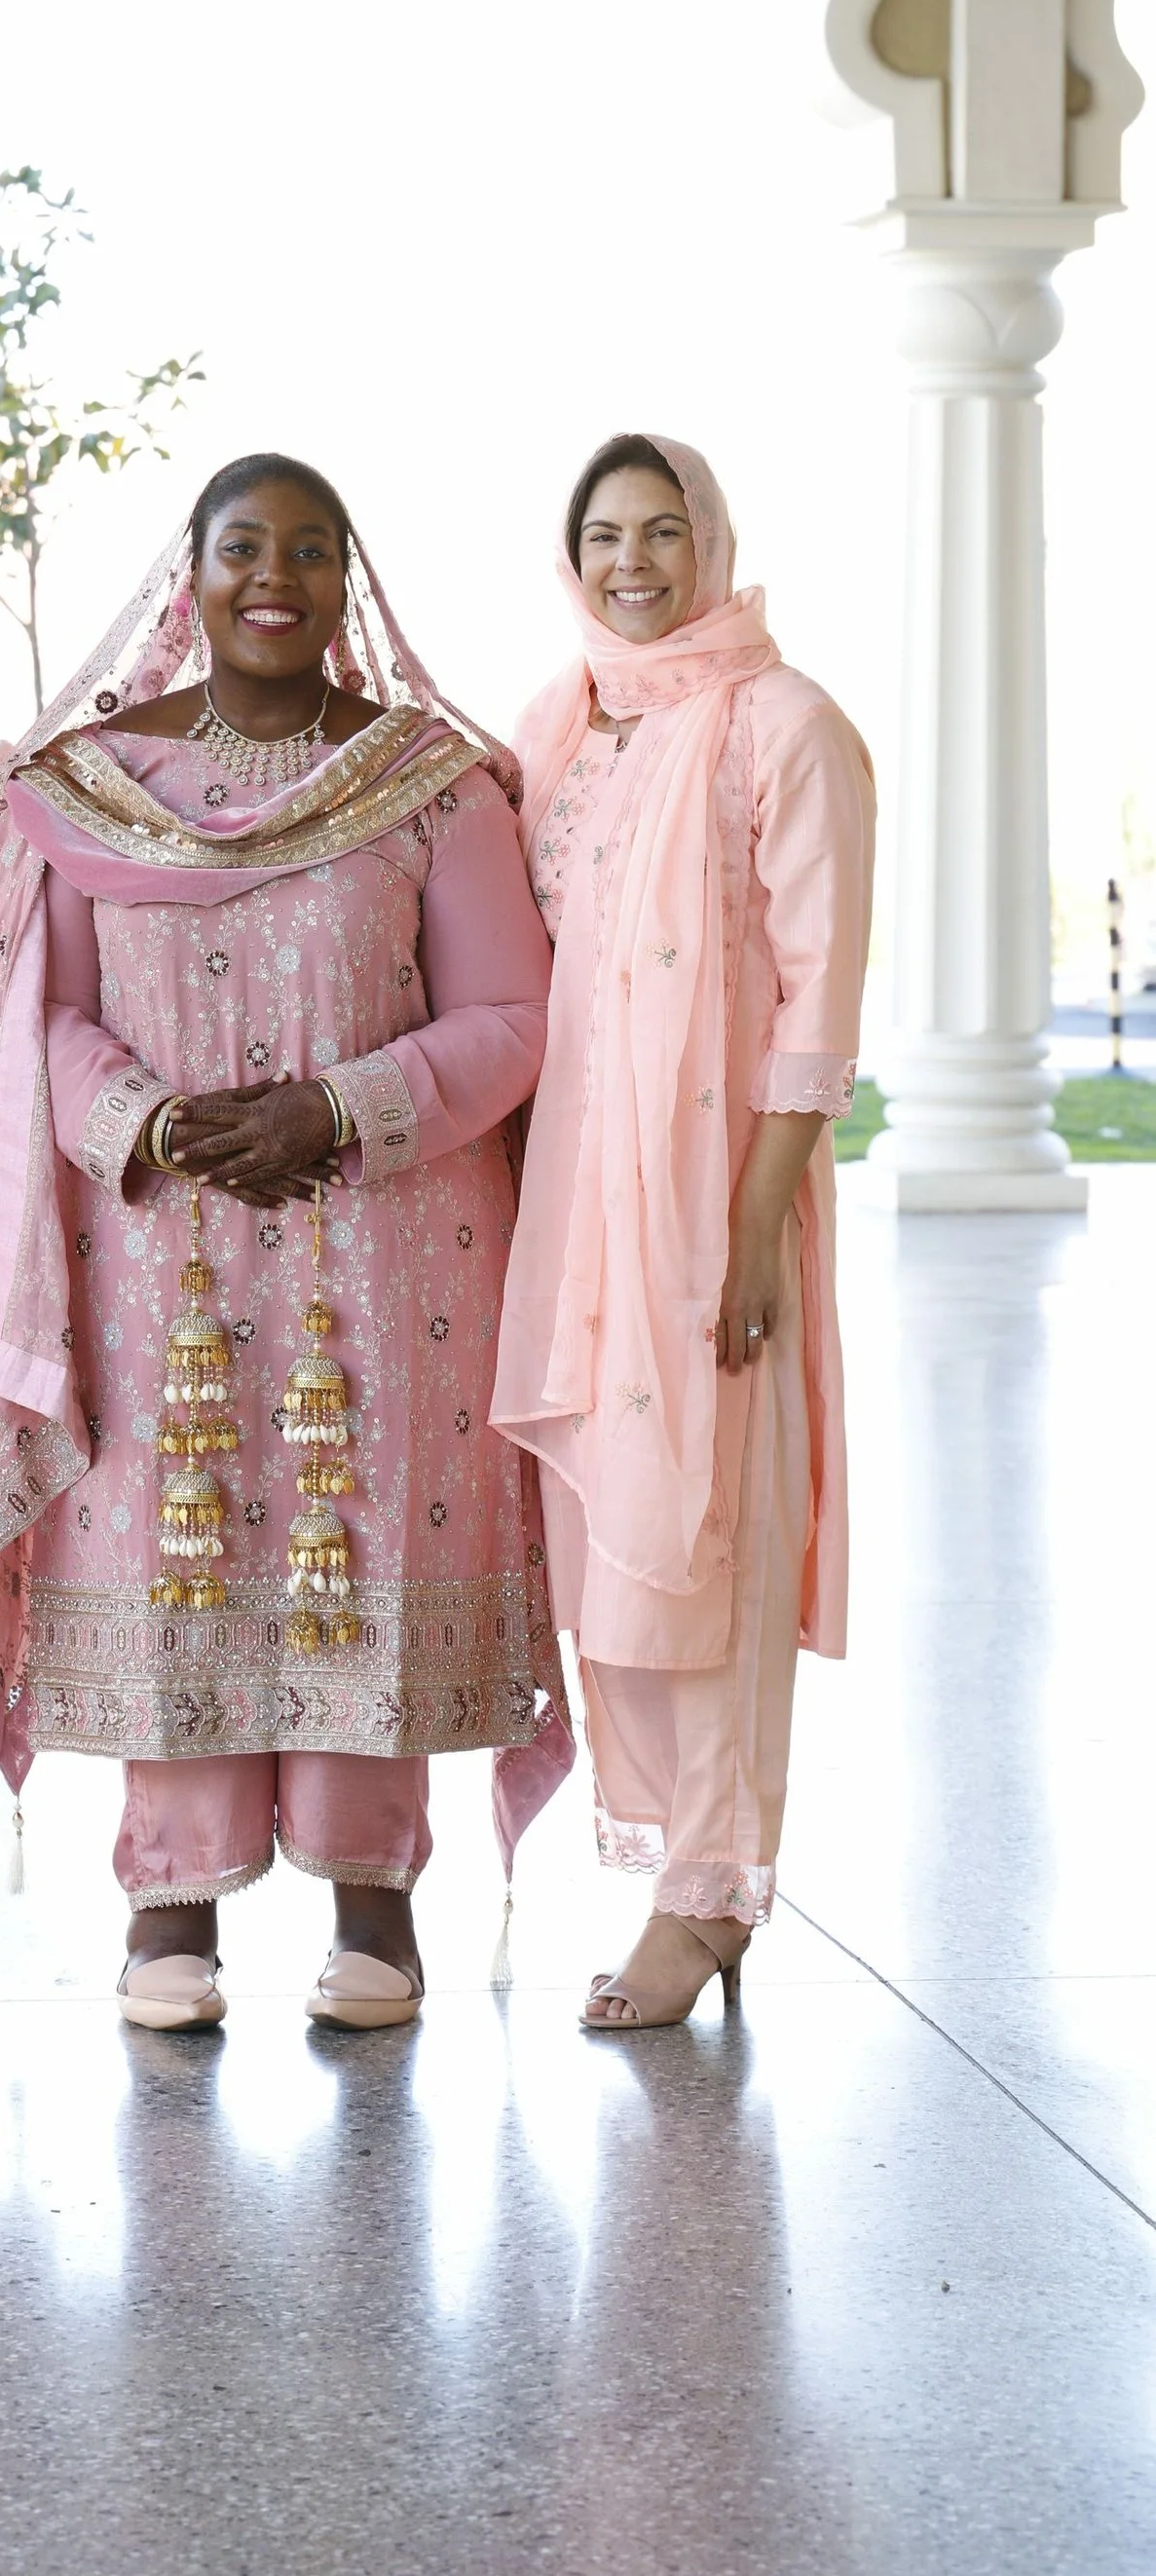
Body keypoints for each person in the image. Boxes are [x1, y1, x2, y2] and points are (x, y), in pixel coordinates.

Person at [0, 455, 569, 2035]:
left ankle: (374, 1906)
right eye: (242, 546)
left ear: (349, 581)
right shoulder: (92, 788)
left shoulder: (431, 783)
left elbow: (511, 1020)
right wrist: (149, 1122)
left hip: (393, 1236)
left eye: (308, 547)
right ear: (192, 575)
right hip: (161, 1245)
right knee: (179, 1526)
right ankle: (171, 1908)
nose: (272, 573)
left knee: (366, 1530)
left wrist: (342, 1107)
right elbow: (41, 1012)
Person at [489, 433, 874, 2030]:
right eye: (602, 535)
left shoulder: (784, 726)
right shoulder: (562, 725)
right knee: (614, 1543)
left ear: (712, 544)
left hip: (716, 1198)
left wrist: (761, 1226)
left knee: (704, 1537)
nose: (631, 562)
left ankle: (713, 1890)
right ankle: (672, 1863)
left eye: (661, 532)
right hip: (577, 1197)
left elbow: (817, 996)